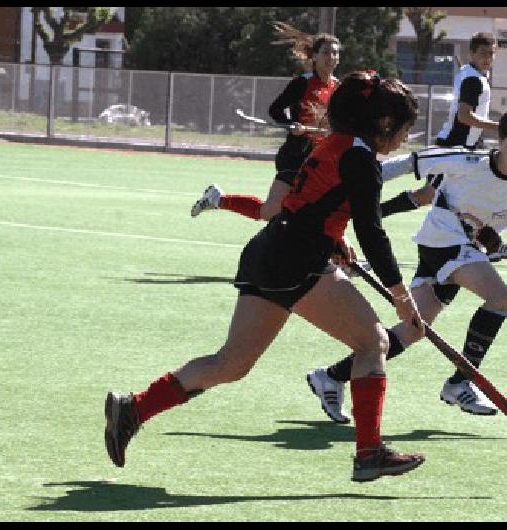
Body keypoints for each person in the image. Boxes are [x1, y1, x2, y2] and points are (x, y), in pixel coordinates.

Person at [104, 71, 428, 483]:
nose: (403, 139)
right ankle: (369, 454)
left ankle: (133, 407)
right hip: (296, 261)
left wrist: (334, 239)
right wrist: (401, 294)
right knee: (373, 341)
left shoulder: (335, 144)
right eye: (403, 130)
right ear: (384, 123)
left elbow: (311, 203)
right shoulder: (362, 159)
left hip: (270, 250)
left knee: (231, 363)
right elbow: (371, 229)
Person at [304, 107, 507, 424]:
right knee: (500, 297)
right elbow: (411, 162)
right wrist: (360, 179)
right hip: (441, 240)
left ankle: (331, 376)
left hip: (460, 250)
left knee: (412, 331)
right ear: (500, 140)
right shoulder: (467, 161)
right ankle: (462, 381)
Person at [378, 33, 507, 263]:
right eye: (484, 53)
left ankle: (490, 245)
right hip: (454, 149)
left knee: (464, 199)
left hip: (465, 149)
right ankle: (374, 213)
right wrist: (500, 127)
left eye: (492, 53)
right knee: (429, 195)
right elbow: (465, 116)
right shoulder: (473, 80)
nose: (488, 58)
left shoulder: (471, 74)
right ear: (472, 53)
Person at [190, 24, 340, 222]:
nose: (331, 57)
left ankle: (337, 252)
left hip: (320, 158)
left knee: (323, 210)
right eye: (326, 52)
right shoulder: (302, 83)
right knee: (270, 212)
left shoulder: (337, 87)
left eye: (335, 53)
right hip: (296, 155)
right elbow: (275, 110)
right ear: (315, 56)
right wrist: (291, 125)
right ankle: (218, 200)